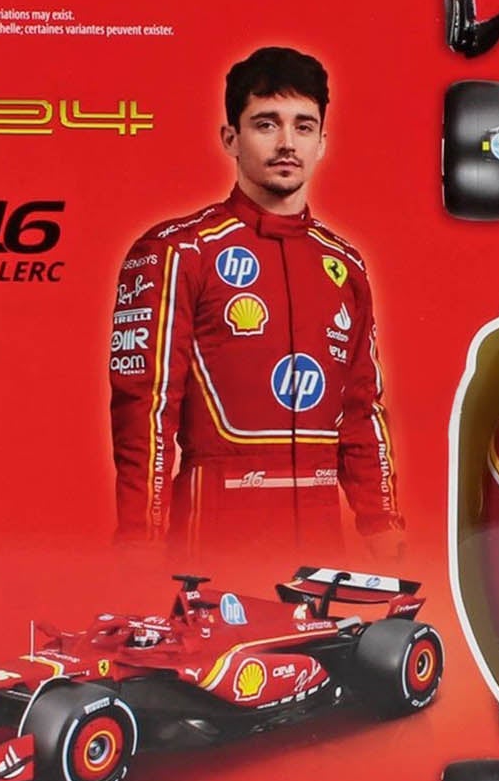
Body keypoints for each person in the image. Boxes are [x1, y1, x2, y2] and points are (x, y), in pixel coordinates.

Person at [110, 46, 404, 568]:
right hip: (211, 545)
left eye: (303, 126)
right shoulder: (179, 250)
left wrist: (384, 526)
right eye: (266, 124)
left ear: (322, 142)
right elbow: (146, 409)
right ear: (231, 138)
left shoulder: (345, 264)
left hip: (319, 549)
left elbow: (362, 410)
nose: (287, 143)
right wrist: (140, 539)